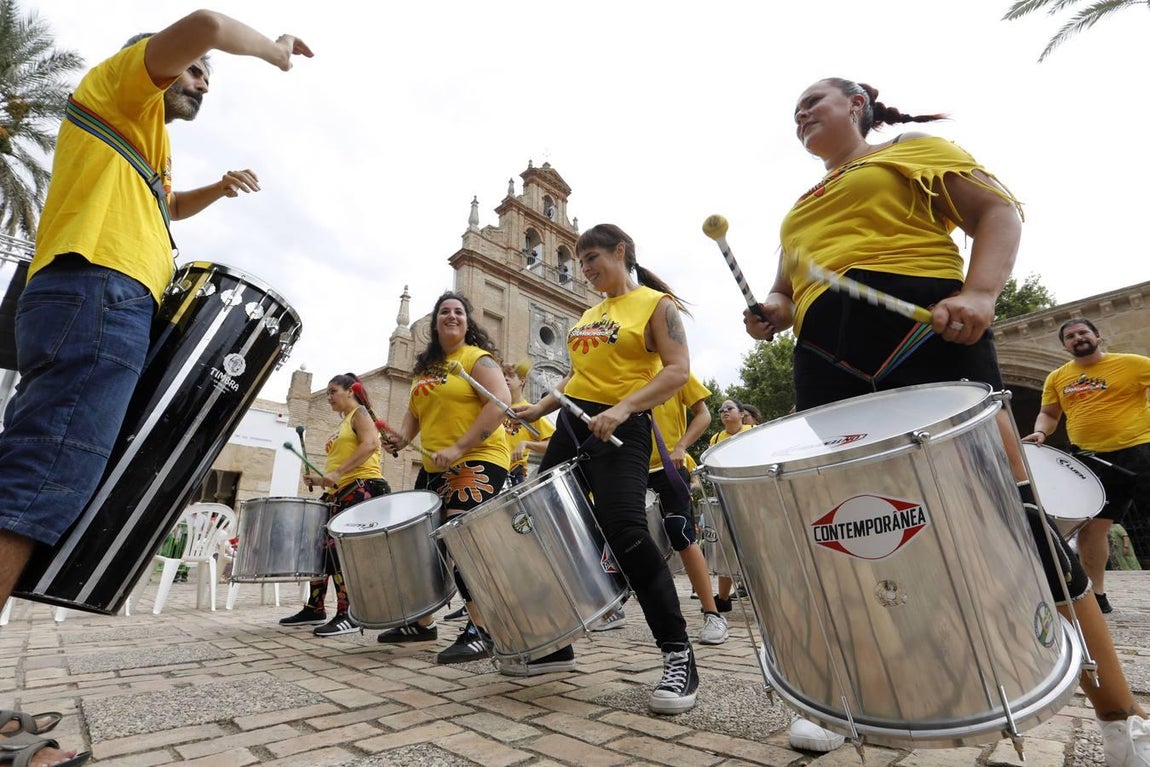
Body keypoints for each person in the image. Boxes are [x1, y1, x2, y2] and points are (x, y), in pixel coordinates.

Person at [742, 76, 1149, 763]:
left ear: (858, 105)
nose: (802, 113)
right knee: (846, 528)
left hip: (927, 332)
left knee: (1011, 512)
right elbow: (785, 290)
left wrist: (982, 292)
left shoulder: (910, 150)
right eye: (795, 110)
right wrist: (772, 312)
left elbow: (996, 212)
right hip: (823, 357)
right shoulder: (799, 208)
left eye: (815, 101)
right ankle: (851, 700)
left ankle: (1120, 714)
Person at [0, 12, 311, 766]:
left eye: (205, 73)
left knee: (37, 482)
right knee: (35, 486)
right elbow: (204, 22)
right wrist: (272, 52)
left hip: (98, 298)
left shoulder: (141, 141)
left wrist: (216, 191)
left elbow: (165, 205)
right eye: (196, 71)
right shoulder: (123, 86)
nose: (202, 81)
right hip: (98, 291)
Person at [513, 223, 699, 715]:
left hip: (622, 427)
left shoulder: (656, 305)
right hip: (573, 425)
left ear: (620, 251)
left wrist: (623, 408)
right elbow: (578, 377)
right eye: (580, 262)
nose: (585, 269)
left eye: (592, 257)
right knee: (542, 523)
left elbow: (677, 370)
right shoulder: (588, 314)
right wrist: (539, 408)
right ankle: (556, 643)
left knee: (627, 533)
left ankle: (678, 654)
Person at [376, 292, 511, 665]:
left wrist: (459, 447)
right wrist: (401, 439)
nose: (452, 316)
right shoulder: (426, 370)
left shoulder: (477, 359)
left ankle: (482, 629)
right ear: (435, 323)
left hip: (478, 458)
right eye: (444, 312)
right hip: (436, 466)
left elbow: (500, 402)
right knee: (421, 543)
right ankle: (422, 622)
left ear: (468, 322)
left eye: (459, 312)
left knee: (461, 542)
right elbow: (414, 414)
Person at [1023, 318, 1150, 613]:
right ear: (1064, 346)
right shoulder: (1057, 377)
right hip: (1091, 458)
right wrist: (1041, 432)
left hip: (1140, 449)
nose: (1078, 338)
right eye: (1070, 336)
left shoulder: (1132, 363)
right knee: (1092, 528)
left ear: (1097, 336)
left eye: (1083, 332)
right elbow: (1049, 414)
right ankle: (1098, 596)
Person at [278, 373, 388, 637]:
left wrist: (337, 473)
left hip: (361, 488)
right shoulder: (344, 421)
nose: (328, 397)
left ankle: (349, 613)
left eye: (333, 391)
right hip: (339, 492)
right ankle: (315, 607)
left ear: (350, 391)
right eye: (327, 392)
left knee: (338, 551)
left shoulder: (360, 413)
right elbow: (340, 464)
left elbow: (371, 444)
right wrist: (320, 479)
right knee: (319, 550)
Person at [648, 374, 729, 645]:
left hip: (669, 466)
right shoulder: (622, 370)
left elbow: (703, 415)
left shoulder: (675, 370)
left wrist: (681, 445)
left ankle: (713, 614)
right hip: (630, 468)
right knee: (633, 539)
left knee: (680, 532)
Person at [707, 399, 752, 612]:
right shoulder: (716, 438)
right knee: (726, 547)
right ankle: (723, 598)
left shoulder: (753, 432)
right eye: (721, 410)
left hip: (750, 495)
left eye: (729, 408)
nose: (724, 411)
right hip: (726, 496)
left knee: (753, 547)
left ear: (742, 414)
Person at [503, 359, 555, 487]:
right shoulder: (493, 408)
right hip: (490, 467)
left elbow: (553, 444)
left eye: (510, 376)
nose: (505, 378)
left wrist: (526, 444)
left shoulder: (530, 412)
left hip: (512, 475)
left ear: (522, 381)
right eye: (503, 375)